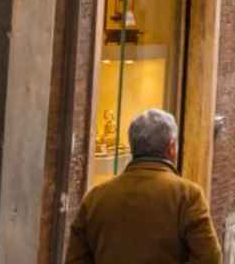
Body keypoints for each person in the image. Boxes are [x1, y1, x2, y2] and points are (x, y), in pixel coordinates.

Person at [65, 109, 222, 264]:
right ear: (172, 148)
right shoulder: (188, 196)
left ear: (133, 147)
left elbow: (75, 259)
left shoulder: (95, 197)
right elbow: (209, 258)